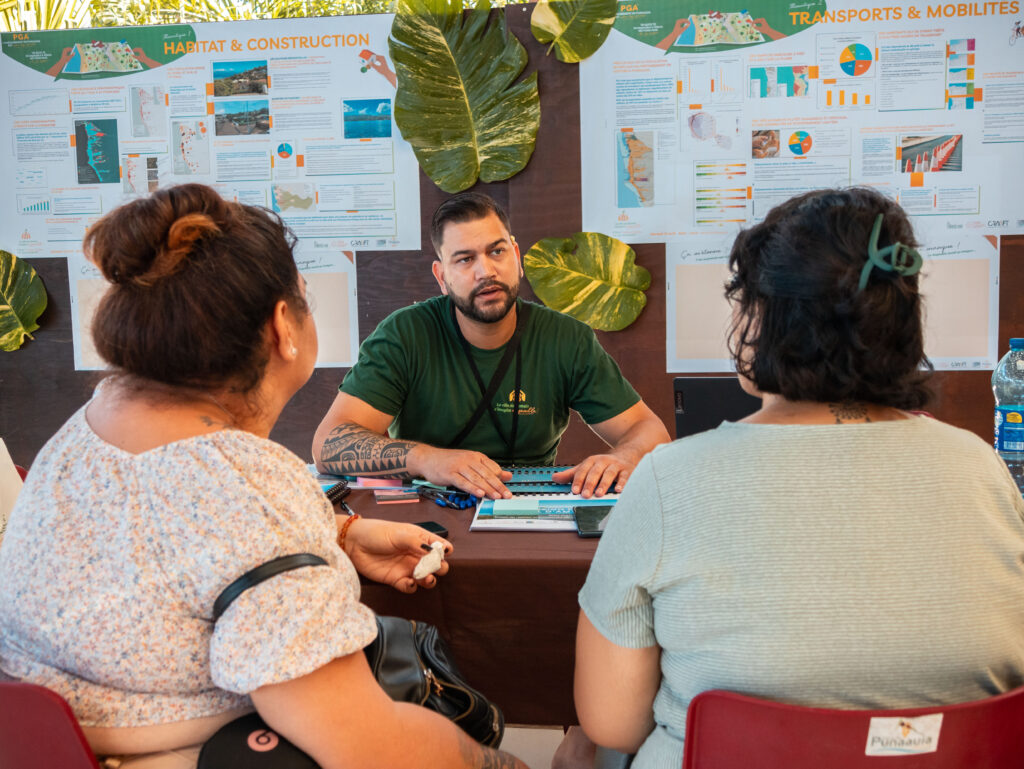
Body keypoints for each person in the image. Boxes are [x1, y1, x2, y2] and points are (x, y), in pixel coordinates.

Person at [0, 184, 528, 769]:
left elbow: (166, 541)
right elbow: (371, 747)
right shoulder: (248, 486)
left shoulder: (89, 425)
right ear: (283, 326)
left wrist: (338, 534)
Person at [573, 187, 1024, 768]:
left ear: (762, 319)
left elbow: (613, 720)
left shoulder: (668, 480)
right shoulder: (980, 467)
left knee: (582, 752)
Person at [312, 192, 669, 499]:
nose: (485, 271)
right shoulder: (404, 334)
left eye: (497, 251)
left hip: (530, 505)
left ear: (516, 256)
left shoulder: (566, 338)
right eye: (465, 259)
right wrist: (427, 459)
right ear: (441, 277)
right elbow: (327, 444)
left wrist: (624, 457)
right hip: (429, 506)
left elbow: (650, 431)